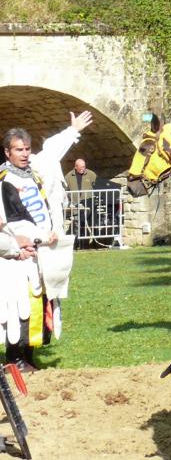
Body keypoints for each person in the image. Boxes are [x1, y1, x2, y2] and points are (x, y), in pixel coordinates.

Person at [1, 112, 89, 372]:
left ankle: (29, 356)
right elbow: (13, 220)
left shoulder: (34, 173)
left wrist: (72, 131)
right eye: (19, 150)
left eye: (27, 148)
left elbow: (51, 154)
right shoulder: (5, 181)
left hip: (40, 254)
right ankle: (14, 358)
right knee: (18, 307)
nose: (25, 154)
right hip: (16, 256)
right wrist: (28, 240)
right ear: (8, 152)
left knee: (40, 303)